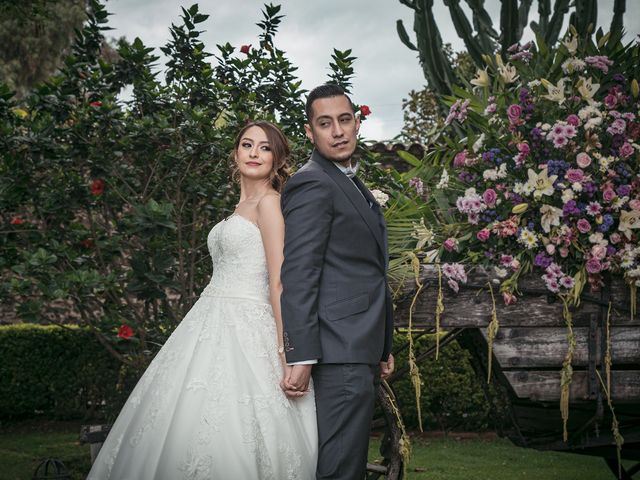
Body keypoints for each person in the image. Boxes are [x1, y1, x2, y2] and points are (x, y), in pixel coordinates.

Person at [87, 120, 317, 479]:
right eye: (247, 144)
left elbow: (278, 280)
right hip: (209, 319)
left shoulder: (270, 204)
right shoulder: (241, 207)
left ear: (277, 158)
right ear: (235, 152)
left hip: (249, 325)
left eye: (265, 147)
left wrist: (285, 347)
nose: (254, 153)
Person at [280, 84, 395, 480]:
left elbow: (366, 271)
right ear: (310, 133)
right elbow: (299, 274)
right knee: (341, 468)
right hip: (336, 349)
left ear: (357, 123)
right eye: (325, 124)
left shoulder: (347, 181)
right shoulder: (312, 183)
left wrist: (382, 344)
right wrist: (301, 355)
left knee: (348, 464)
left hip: (357, 344)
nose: (338, 131)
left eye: (345, 120)